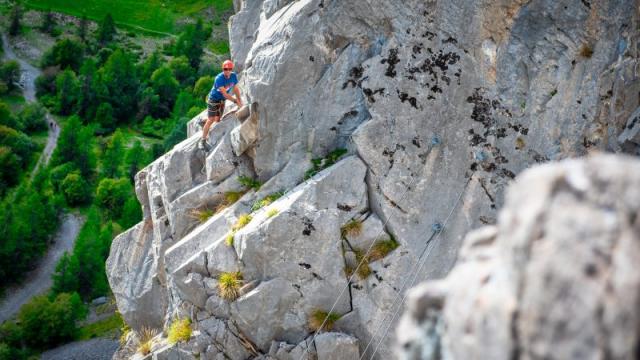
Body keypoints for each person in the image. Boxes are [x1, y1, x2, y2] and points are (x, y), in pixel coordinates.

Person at [200, 60, 243, 150]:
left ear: (232, 69)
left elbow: (236, 89)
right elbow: (225, 94)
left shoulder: (233, 76)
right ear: (223, 69)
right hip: (213, 99)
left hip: (222, 100)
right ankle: (202, 141)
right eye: (225, 69)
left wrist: (240, 100)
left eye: (229, 69)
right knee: (211, 119)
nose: (227, 71)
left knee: (217, 120)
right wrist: (236, 101)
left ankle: (203, 121)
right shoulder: (219, 78)